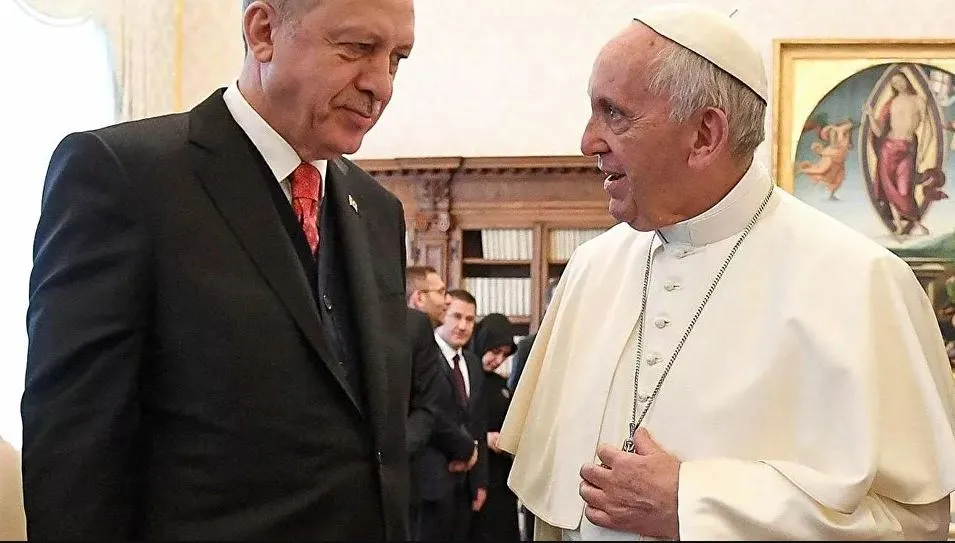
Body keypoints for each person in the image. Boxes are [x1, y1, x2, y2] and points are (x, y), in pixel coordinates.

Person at [499, 4, 955, 541]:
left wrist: (695, 505)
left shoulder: (862, 282)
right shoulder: (590, 270)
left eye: (614, 113)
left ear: (705, 134)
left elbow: (911, 522)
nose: (588, 141)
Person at [23, 0, 416, 539]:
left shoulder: (378, 210)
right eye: (357, 48)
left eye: (396, 59)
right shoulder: (125, 176)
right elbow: (75, 450)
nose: (381, 85)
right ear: (263, 32)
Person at [404, 267, 479, 540]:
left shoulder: (471, 361)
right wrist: (466, 449)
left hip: (454, 484)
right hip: (423, 478)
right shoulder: (413, 345)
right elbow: (429, 410)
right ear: (419, 298)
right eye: (441, 292)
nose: (446, 300)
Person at [425, 289, 488, 542]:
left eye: (470, 319)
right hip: (431, 481)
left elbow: (478, 424)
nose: (463, 326)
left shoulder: (473, 363)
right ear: (443, 315)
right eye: (457, 316)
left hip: (466, 487)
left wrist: (480, 481)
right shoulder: (424, 357)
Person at [468, 313, 520, 543]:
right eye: (495, 351)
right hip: (473, 474)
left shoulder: (501, 385)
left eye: (504, 355)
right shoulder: (464, 378)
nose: (498, 360)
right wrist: (485, 438)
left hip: (501, 476)